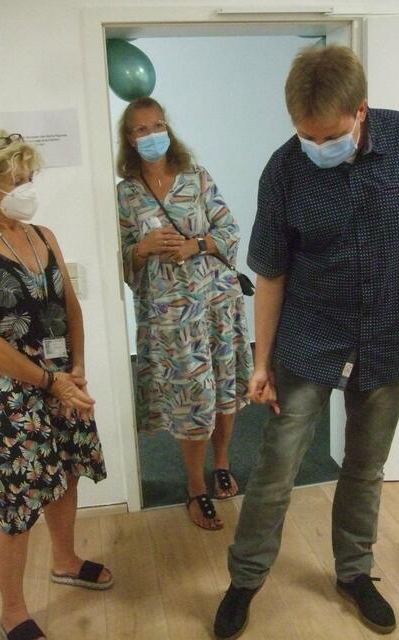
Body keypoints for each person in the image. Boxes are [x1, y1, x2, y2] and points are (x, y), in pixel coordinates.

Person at [214, 45, 399, 638]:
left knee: (366, 464)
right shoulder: (284, 170)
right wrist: (261, 362)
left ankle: (354, 573)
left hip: (389, 331)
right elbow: (270, 273)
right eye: (306, 135)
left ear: (361, 111)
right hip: (310, 336)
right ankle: (245, 580)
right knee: (277, 465)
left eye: (329, 136)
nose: (316, 146)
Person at [0, 131, 112, 640]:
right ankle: (13, 611)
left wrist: (77, 368)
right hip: (9, 394)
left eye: (29, 177)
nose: (27, 188)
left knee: (67, 472)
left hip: (62, 381)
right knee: (14, 504)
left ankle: (65, 560)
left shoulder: (42, 235)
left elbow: (70, 307)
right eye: (16, 180)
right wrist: (50, 381)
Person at [116, 97, 253, 530]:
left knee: (224, 385)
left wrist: (197, 245)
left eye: (157, 125)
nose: (152, 134)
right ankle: (195, 486)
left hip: (217, 304)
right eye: (141, 129)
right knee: (191, 397)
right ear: (129, 139)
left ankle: (222, 464)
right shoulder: (125, 194)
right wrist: (142, 248)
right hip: (169, 318)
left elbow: (230, 229)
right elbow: (118, 258)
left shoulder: (196, 177)